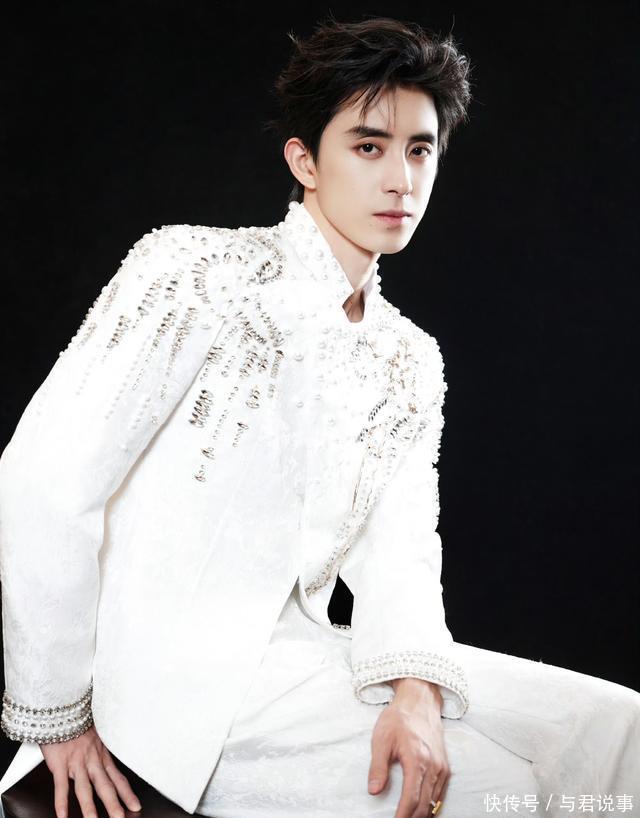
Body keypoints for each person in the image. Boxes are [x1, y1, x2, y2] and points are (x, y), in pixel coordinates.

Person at [1, 15, 639, 818]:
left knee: (618, 729)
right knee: (498, 791)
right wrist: (55, 718)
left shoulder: (409, 357)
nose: (400, 179)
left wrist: (415, 691)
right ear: (305, 160)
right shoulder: (196, 269)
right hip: (160, 691)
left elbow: (401, 555)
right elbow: (46, 477)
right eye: (369, 147)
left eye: (420, 150)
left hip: (304, 670)